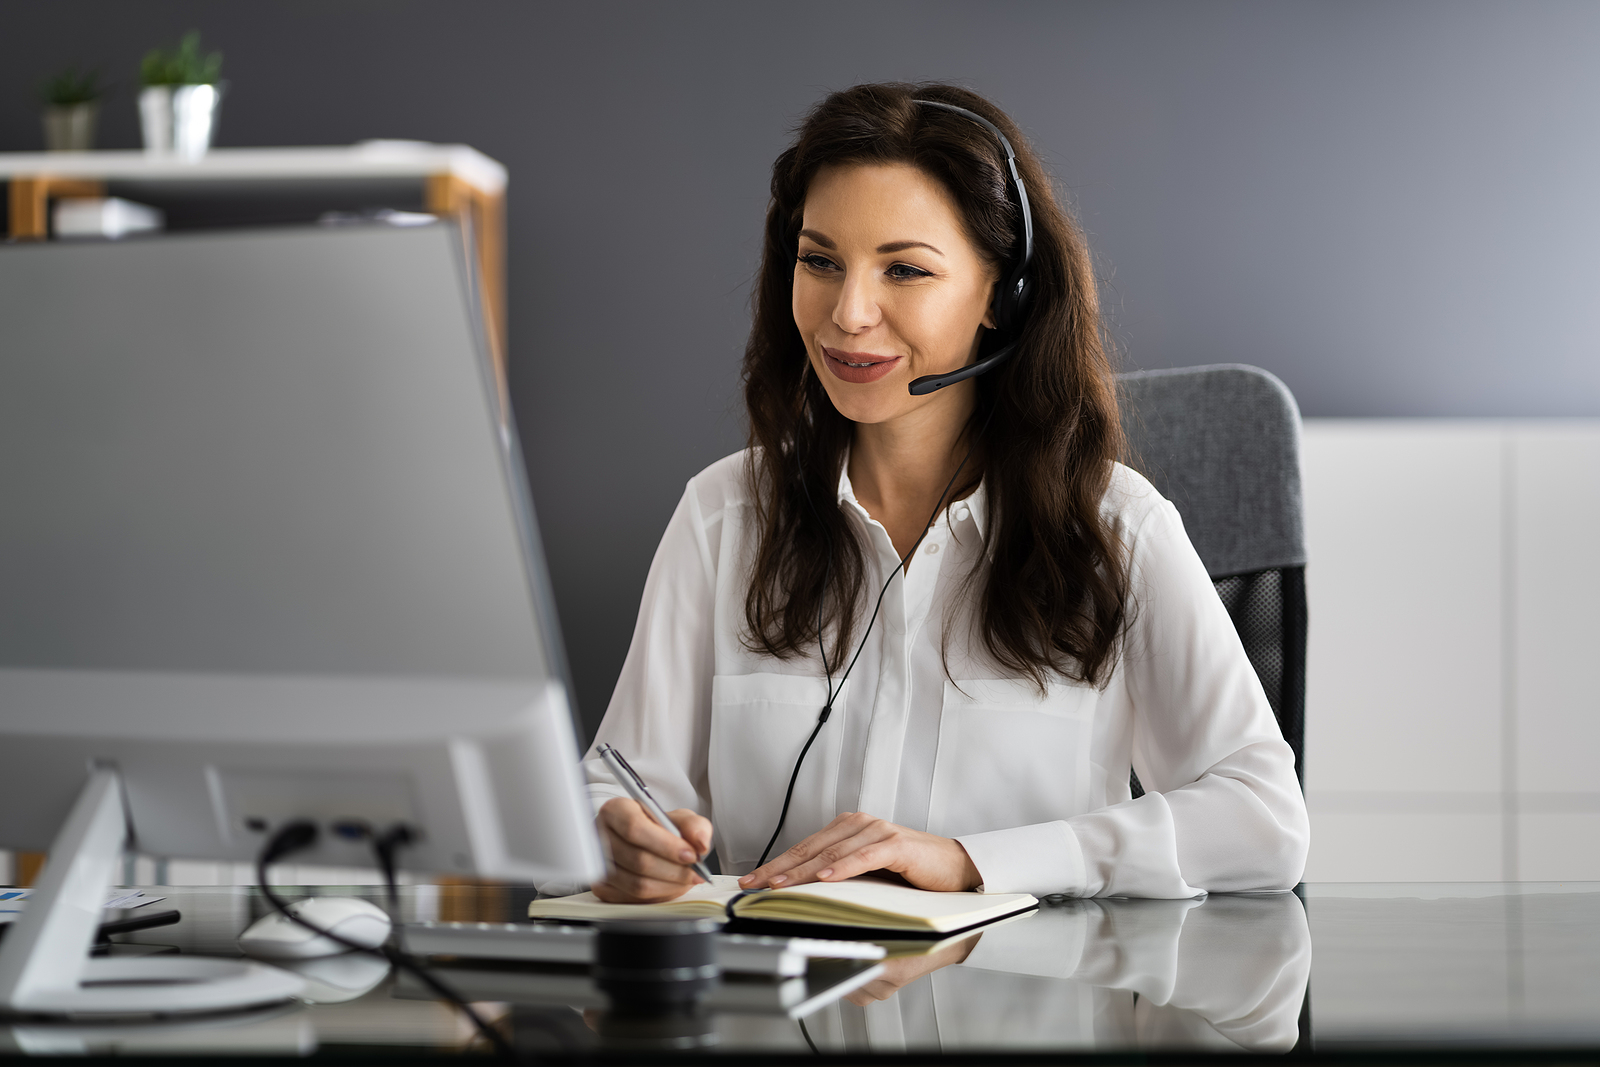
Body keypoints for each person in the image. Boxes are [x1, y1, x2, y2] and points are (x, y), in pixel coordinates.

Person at [581, 82, 1308, 903]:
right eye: (820, 261)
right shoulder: (724, 518)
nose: (848, 313)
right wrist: (615, 834)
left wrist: (973, 862)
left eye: (905, 269)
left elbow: (1266, 820)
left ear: (1004, 295)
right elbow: (616, 784)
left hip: (1024, 1007)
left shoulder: (1118, 529)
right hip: (787, 1015)